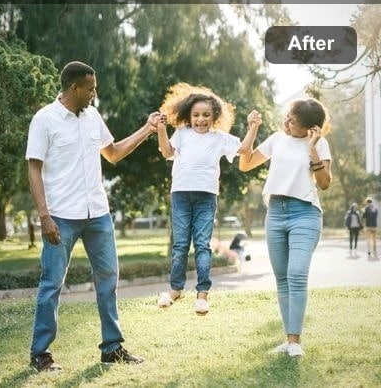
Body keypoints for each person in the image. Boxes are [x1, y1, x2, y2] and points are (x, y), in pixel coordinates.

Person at [26, 61, 160, 371]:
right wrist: (44, 216)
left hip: (97, 213)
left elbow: (112, 153)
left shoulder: (92, 116)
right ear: (74, 88)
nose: (94, 93)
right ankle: (40, 354)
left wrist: (147, 129)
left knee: (108, 280)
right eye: (91, 88)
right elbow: (33, 168)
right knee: (52, 284)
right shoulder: (45, 119)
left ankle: (112, 348)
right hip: (61, 215)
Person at [154, 83, 261, 315]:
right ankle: (175, 290)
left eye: (206, 115)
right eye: (196, 115)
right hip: (181, 194)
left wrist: (253, 127)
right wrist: (161, 129)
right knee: (181, 245)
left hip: (206, 197)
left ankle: (202, 295)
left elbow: (243, 149)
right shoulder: (182, 134)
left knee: (202, 245)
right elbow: (166, 152)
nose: (200, 119)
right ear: (188, 116)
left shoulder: (219, 138)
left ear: (215, 117)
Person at [239, 98, 332, 357]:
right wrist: (253, 129)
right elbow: (245, 165)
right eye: (287, 117)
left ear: (310, 127)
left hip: (305, 213)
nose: (286, 122)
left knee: (297, 274)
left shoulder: (320, 143)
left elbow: (324, 183)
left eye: (293, 120)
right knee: (282, 279)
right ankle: (289, 341)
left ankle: (295, 342)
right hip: (276, 213)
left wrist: (312, 148)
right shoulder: (277, 139)